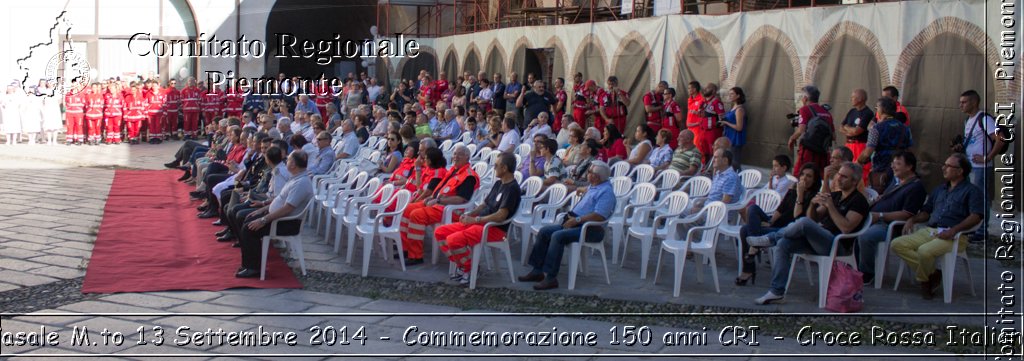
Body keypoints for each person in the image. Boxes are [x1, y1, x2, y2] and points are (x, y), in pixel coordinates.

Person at [749, 162, 869, 305]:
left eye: (844, 177)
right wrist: (812, 204)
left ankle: (770, 238)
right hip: (820, 239)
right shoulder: (836, 196)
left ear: (854, 181)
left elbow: (846, 228)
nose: (838, 178)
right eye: (839, 175)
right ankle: (776, 291)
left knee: (803, 223)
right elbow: (814, 218)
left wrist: (830, 207)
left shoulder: (859, 201)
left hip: (838, 245)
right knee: (783, 244)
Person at [891, 153, 984, 299]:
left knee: (924, 251)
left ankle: (924, 282)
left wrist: (954, 230)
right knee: (897, 244)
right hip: (931, 230)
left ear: (960, 171)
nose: (943, 168)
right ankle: (933, 274)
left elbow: (976, 216)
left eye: (948, 166)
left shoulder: (972, 191)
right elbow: (926, 211)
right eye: (944, 165)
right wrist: (913, 220)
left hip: (955, 236)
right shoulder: (940, 189)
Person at [519, 161, 616, 290]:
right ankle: (537, 270)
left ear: (596, 177)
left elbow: (599, 216)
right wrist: (580, 189)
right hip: (577, 224)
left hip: (591, 229)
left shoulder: (606, 192)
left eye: (590, 172)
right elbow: (585, 189)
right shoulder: (594, 185)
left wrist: (577, 219)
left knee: (557, 236)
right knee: (544, 232)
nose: (588, 174)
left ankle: (551, 277)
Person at [436, 152, 522, 285]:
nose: (494, 168)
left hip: (494, 229)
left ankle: (470, 269)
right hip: (480, 223)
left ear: (504, 168)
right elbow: (484, 204)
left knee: (453, 240)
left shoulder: (512, 189)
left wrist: (475, 220)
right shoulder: (499, 184)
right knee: (440, 232)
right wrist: (471, 214)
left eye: (496, 165)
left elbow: (501, 216)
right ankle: (463, 265)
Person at [736, 162, 821, 285]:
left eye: (809, 176)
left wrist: (800, 195)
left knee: (744, 230)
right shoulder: (793, 190)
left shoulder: (814, 197)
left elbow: (798, 217)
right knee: (753, 208)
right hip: (777, 224)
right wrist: (771, 222)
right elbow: (780, 209)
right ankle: (754, 245)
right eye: (802, 174)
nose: (804, 178)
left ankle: (748, 269)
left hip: (789, 230)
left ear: (815, 180)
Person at [234, 150, 314, 278]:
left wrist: (263, 220)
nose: (285, 162)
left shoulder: (301, 183)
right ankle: (249, 258)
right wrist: (263, 208)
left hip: (286, 223)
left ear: (293, 164)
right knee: (243, 215)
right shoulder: (295, 178)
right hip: (279, 216)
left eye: (288, 160)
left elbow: (287, 208)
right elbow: (280, 199)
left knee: (248, 227)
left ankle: (253, 267)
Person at [399, 144, 479, 265]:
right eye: (455, 154)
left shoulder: (469, 176)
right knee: (407, 209)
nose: (455, 157)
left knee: (416, 215)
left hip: (449, 210)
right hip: (437, 204)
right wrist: (431, 197)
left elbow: (461, 199)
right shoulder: (454, 170)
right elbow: (439, 189)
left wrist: (438, 201)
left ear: (467, 157)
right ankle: (405, 249)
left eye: (460, 154)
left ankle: (415, 256)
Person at [855, 150, 926, 285]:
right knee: (849, 226)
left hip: (890, 226)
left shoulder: (916, 187)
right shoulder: (896, 182)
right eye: (893, 163)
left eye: (898, 164)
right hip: (875, 219)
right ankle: (852, 267)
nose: (893, 167)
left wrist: (880, 215)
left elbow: (907, 214)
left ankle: (867, 272)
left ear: (909, 166)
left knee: (865, 236)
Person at [958, 89, 1002, 243]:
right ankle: (973, 228)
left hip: (981, 168)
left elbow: (1000, 139)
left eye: (964, 102)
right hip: (970, 166)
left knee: (981, 198)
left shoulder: (984, 119)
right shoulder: (968, 120)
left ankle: (982, 231)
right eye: (960, 102)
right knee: (972, 198)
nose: (961, 105)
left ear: (974, 102)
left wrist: (987, 157)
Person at [858, 97, 912, 193]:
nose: (876, 110)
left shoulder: (876, 129)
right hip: (900, 172)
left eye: (877, 108)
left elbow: (867, 153)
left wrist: (858, 161)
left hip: (881, 171)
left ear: (882, 109)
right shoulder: (905, 128)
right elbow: (909, 150)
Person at [788, 85, 834, 178]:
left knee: (799, 174)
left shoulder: (805, 109)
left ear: (805, 98)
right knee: (819, 177)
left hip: (808, 150)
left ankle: (796, 192)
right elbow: (833, 136)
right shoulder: (827, 112)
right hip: (823, 151)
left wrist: (792, 138)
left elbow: (801, 129)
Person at [841, 89, 874, 182]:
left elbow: (857, 131)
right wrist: (850, 131)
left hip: (860, 145)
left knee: (860, 168)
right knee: (846, 167)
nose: (851, 99)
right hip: (849, 144)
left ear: (860, 99)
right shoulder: (852, 111)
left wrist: (848, 128)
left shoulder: (867, 113)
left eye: (853, 97)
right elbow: (841, 126)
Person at [721, 87, 746, 170]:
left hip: (736, 139)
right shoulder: (733, 108)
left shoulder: (739, 109)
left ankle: (739, 180)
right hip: (729, 138)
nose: (730, 96)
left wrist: (726, 123)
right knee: (730, 162)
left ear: (738, 95)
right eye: (729, 94)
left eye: (732, 94)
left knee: (735, 163)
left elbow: (739, 127)